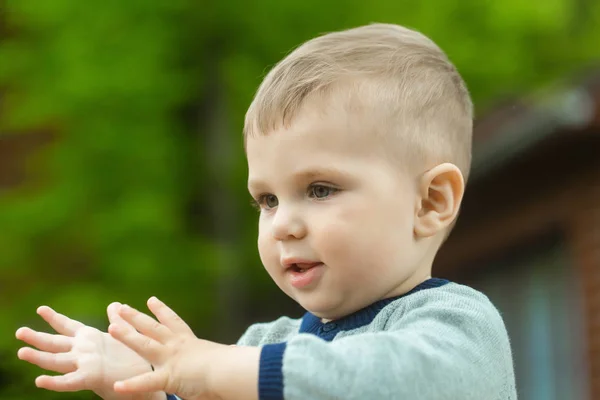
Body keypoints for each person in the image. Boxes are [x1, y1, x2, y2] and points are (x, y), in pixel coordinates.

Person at [16, 23, 517, 399]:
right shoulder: (265, 343)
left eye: (320, 189)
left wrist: (217, 370)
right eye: (267, 200)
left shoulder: (457, 326)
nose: (282, 224)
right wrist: (144, 381)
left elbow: (390, 380)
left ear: (431, 201)